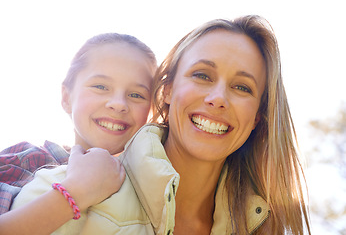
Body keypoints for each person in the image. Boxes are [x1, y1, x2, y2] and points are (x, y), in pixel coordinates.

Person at [11, 15, 311, 234]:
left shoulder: (261, 227)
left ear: (258, 116)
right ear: (165, 91)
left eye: (242, 87)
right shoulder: (62, 189)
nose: (218, 98)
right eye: (202, 75)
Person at [0, 32, 157, 234]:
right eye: (101, 86)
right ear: (66, 98)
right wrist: (78, 190)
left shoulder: (154, 185)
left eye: (136, 94)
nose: (118, 104)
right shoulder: (26, 161)